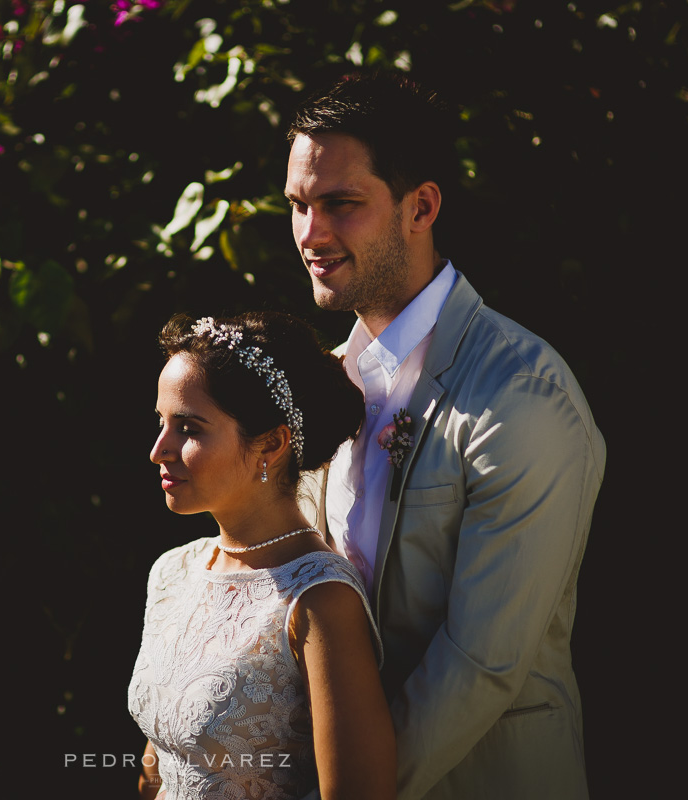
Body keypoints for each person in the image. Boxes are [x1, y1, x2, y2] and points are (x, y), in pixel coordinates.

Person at [284, 72, 606, 799]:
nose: (310, 233)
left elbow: (481, 664)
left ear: (420, 206)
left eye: (340, 203)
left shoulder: (523, 395)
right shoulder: (319, 385)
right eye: (299, 205)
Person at [128, 311, 396, 800]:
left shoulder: (319, 599)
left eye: (188, 428)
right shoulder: (172, 572)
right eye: (161, 422)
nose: (158, 450)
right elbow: (159, 762)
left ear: (270, 444)